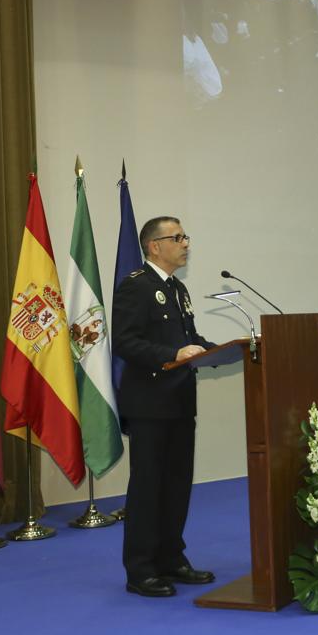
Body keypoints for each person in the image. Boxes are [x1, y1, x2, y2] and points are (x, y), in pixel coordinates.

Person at [112, 216, 217, 598]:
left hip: (179, 402)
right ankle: (141, 570)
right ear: (154, 246)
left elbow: (189, 339)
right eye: (178, 237)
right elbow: (125, 342)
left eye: (186, 236)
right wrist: (171, 354)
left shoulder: (178, 289)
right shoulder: (136, 287)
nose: (186, 243)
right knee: (148, 487)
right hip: (149, 404)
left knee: (176, 486)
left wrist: (217, 350)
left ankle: (171, 559)